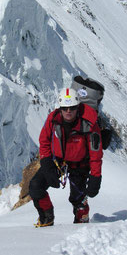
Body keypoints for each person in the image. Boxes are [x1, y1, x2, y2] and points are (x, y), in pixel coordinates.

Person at [29, 87, 103, 227]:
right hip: (58, 162)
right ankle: (46, 218)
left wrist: (95, 177)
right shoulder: (53, 119)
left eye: (72, 108)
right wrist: (46, 164)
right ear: (60, 108)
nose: (68, 111)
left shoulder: (88, 123)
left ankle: (81, 226)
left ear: (78, 107)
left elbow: (96, 153)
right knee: (35, 187)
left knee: (79, 201)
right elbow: (44, 141)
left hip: (80, 165)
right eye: (65, 108)